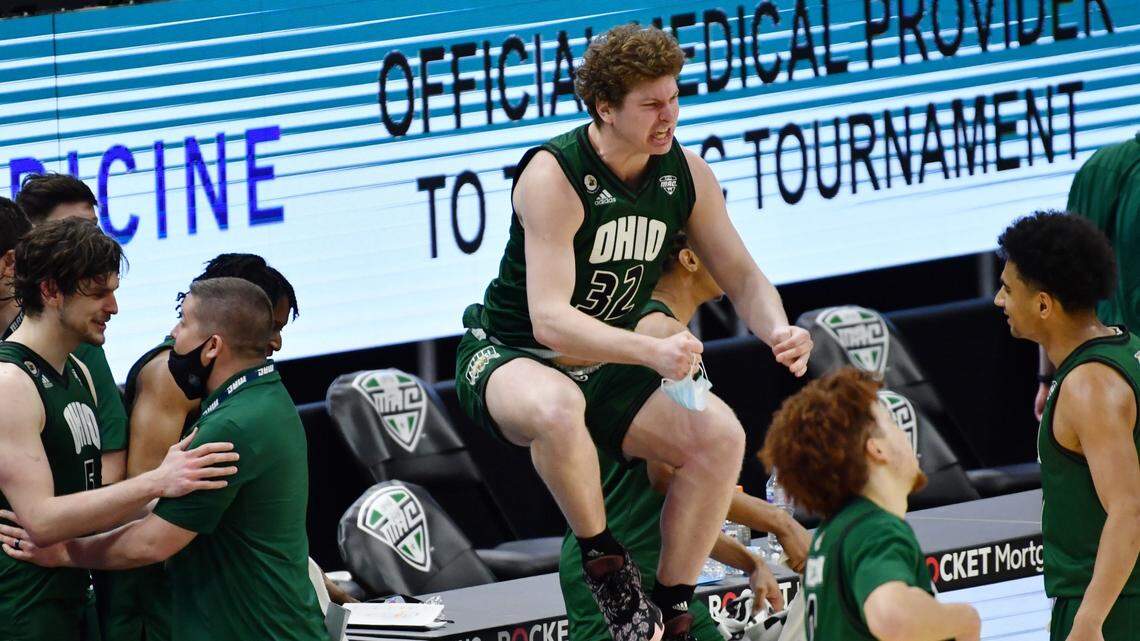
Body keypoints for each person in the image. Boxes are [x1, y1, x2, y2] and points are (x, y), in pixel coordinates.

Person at [454, 24, 812, 641]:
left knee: (720, 435)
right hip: (511, 354)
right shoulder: (554, 175)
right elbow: (550, 321)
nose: (668, 115)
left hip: (604, 361)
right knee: (559, 404)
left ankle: (674, 601)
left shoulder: (687, 175)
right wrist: (651, 351)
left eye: (673, 98)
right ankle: (607, 567)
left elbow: (746, 277)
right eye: (651, 104)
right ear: (604, 109)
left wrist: (779, 330)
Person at [2, 276, 327, 641]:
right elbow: (172, 508)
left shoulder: (233, 425)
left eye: (184, 322)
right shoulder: (264, 398)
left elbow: (152, 542)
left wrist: (64, 553)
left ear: (212, 346)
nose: (174, 334)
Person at [561, 233, 812, 641]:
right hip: (614, 580)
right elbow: (670, 478)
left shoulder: (658, 329)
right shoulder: (659, 335)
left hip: (664, 576)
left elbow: (683, 503)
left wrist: (749, 562)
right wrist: (778, 521)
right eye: (718, 250)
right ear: (689, 259)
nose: (731, 261)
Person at [0, 218, 238, 641]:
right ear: (52, 291)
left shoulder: (79, 372)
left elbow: (89, 502)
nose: (113, 307)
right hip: (21, 614)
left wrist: (192, 501)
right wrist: (155, 481)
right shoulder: (10, 383)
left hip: (76, 603)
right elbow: (40, 521)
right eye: (98, 293)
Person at [96, 253, 304, 641]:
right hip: (159, 598)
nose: (273, 340)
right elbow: (143, 505)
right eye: (270, 325)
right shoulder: (174, 379)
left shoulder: (247, 404)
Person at [994, 211, 1140, 641]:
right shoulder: (1127, 348)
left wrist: (1090, 618)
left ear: (1043, 304)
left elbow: (1128, 511)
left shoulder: (1087, 387)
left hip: (1114, 603)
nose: (998, 300)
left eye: (1007, 288)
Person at [761, 367, 982, 641]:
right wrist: (964, 619)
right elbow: (892, 618)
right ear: (876, 448)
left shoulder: (831, 535)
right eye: (891, 423)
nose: (904, 434)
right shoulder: (875, 529)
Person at [12, 173, 128, 484]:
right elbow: (41, 518)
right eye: (72, 230)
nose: (90, 240)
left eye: (94, 228)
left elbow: (110, 468)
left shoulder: (81, 353)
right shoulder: (10, 375)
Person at [1034, 134, 1140, 420]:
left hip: (1101, 375)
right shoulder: (1101, 170)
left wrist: (1048, 378)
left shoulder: (1099, 167)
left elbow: (1056, 280)